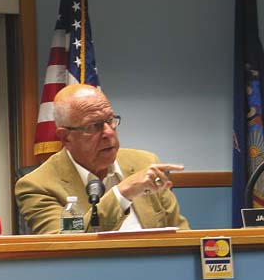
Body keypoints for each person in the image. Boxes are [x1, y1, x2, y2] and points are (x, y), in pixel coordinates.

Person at [14, 84, 190, 234]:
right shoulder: (37, 186)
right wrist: (122, 194)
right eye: (93, 126)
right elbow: (63, 246)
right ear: (65, 137)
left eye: (110, 120)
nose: (109, 132)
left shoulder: (144, 163)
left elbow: (181, 235)